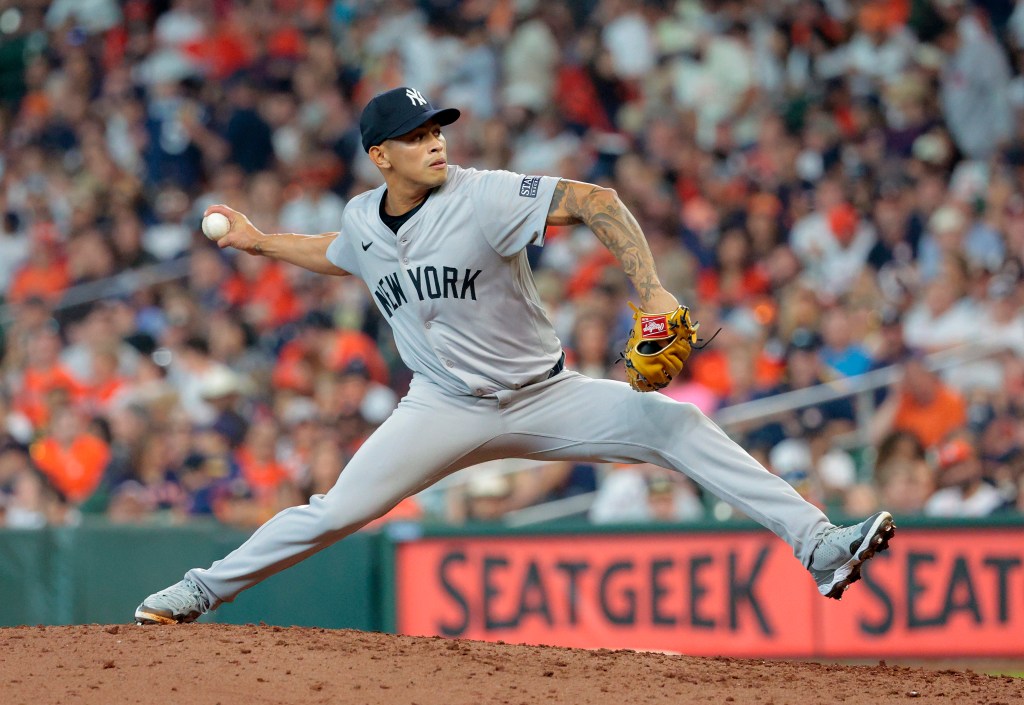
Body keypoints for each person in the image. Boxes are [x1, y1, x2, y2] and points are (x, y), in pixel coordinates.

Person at [134, 87, 896, 625]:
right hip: (439, 406)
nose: (434, 141)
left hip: (545, 392)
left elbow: (597, 199)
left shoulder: (486, 194)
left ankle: (821, 545)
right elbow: (340, 253)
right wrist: (257, 239)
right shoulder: (362, 220)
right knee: (336, 510)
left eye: (437, 128)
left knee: (675, 425)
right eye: (415, 134)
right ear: (379, 156)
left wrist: (655, 292)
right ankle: (199, 592)